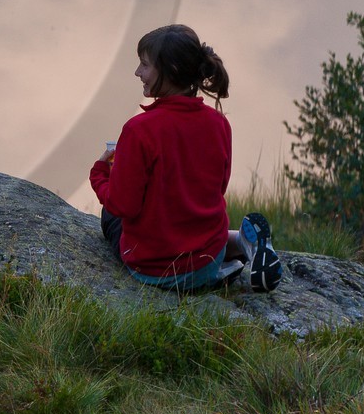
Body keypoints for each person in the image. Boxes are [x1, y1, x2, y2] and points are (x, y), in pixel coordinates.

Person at [89, 24, 282, 292]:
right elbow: (216, 190)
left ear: (173, 71)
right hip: (207, 261)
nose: (137, 73)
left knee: (110, 216)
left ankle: (231, 252)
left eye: (144, 65)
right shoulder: (219, 124)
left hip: (155, 271)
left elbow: (124, 206)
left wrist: (100, 174)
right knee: (188, 214)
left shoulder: (139, 130)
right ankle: (240, 244)